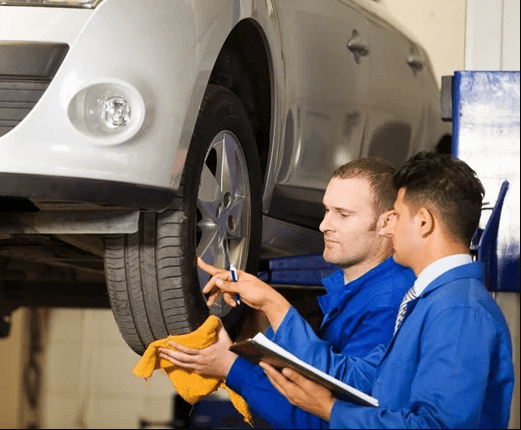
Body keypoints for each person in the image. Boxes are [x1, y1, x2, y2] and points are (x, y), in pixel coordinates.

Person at [210, 151, 515, 428]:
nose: (389, 227)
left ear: (423, 223)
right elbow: (362, 379)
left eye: (396, 216)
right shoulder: (430, 303)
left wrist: (331, 410)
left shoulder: (459, 311)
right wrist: (271, 304)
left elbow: (436, 426)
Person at [158, 157, 416, 428]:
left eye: (343, 214)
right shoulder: (362, 290)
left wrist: (232, 366)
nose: (324, 225)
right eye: (326, 210)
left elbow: (328, 418)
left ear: (388, 223)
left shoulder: (389, 305)